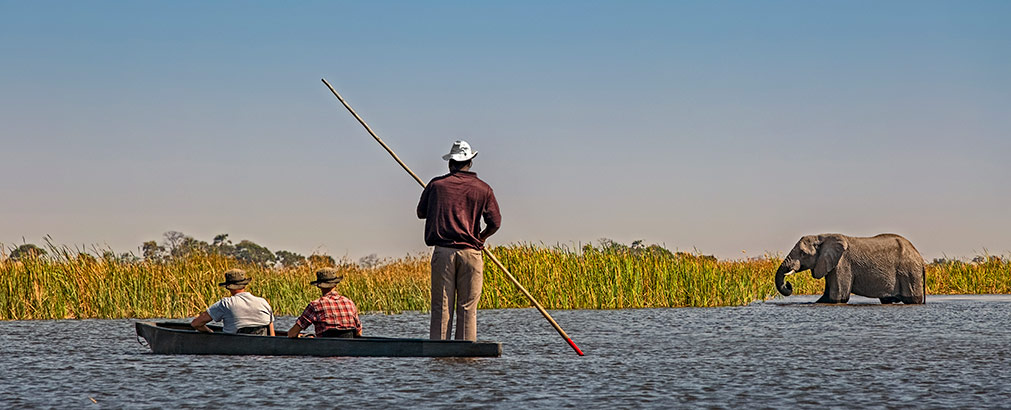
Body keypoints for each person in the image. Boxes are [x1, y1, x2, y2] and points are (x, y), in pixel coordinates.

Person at [417, 140, 501, 341]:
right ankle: (465, 354)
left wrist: (435, 197)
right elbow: (495, 223)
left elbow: (421, 213)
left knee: (442, 307)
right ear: (470, 162)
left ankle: (439, 352)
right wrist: (481, 238)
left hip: (443, 252)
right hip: (471, 253)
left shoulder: (436, 185)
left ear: (450, 163)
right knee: (467, 308)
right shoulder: (484, 189)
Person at [191, 269, 275, 336]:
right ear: (244, 285)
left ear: (228, 287)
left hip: (235, 347)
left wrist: (210, 332)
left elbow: (196, 324)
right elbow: (272, 336)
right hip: (261, 352)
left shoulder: (225, 303)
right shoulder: (263, 302)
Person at [287, 268, 363, 338]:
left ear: (319, 286)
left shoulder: (315, 305)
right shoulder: (349, 303)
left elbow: (292, 333)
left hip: (325, 347)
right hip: (348, 347)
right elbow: (358, 333)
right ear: (335, 284)